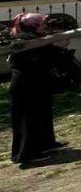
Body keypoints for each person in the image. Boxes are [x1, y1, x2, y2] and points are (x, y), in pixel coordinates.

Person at [7, 13, 72, 166]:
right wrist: (57, 48)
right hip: (26, 86)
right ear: (32, 27)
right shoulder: (22, 42)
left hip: (38, 83)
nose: (45, 28)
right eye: (42, 25)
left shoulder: (34, 38)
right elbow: (38, 59)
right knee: (28, 119)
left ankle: (46, 144)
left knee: (43, 114)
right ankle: (27, 154)